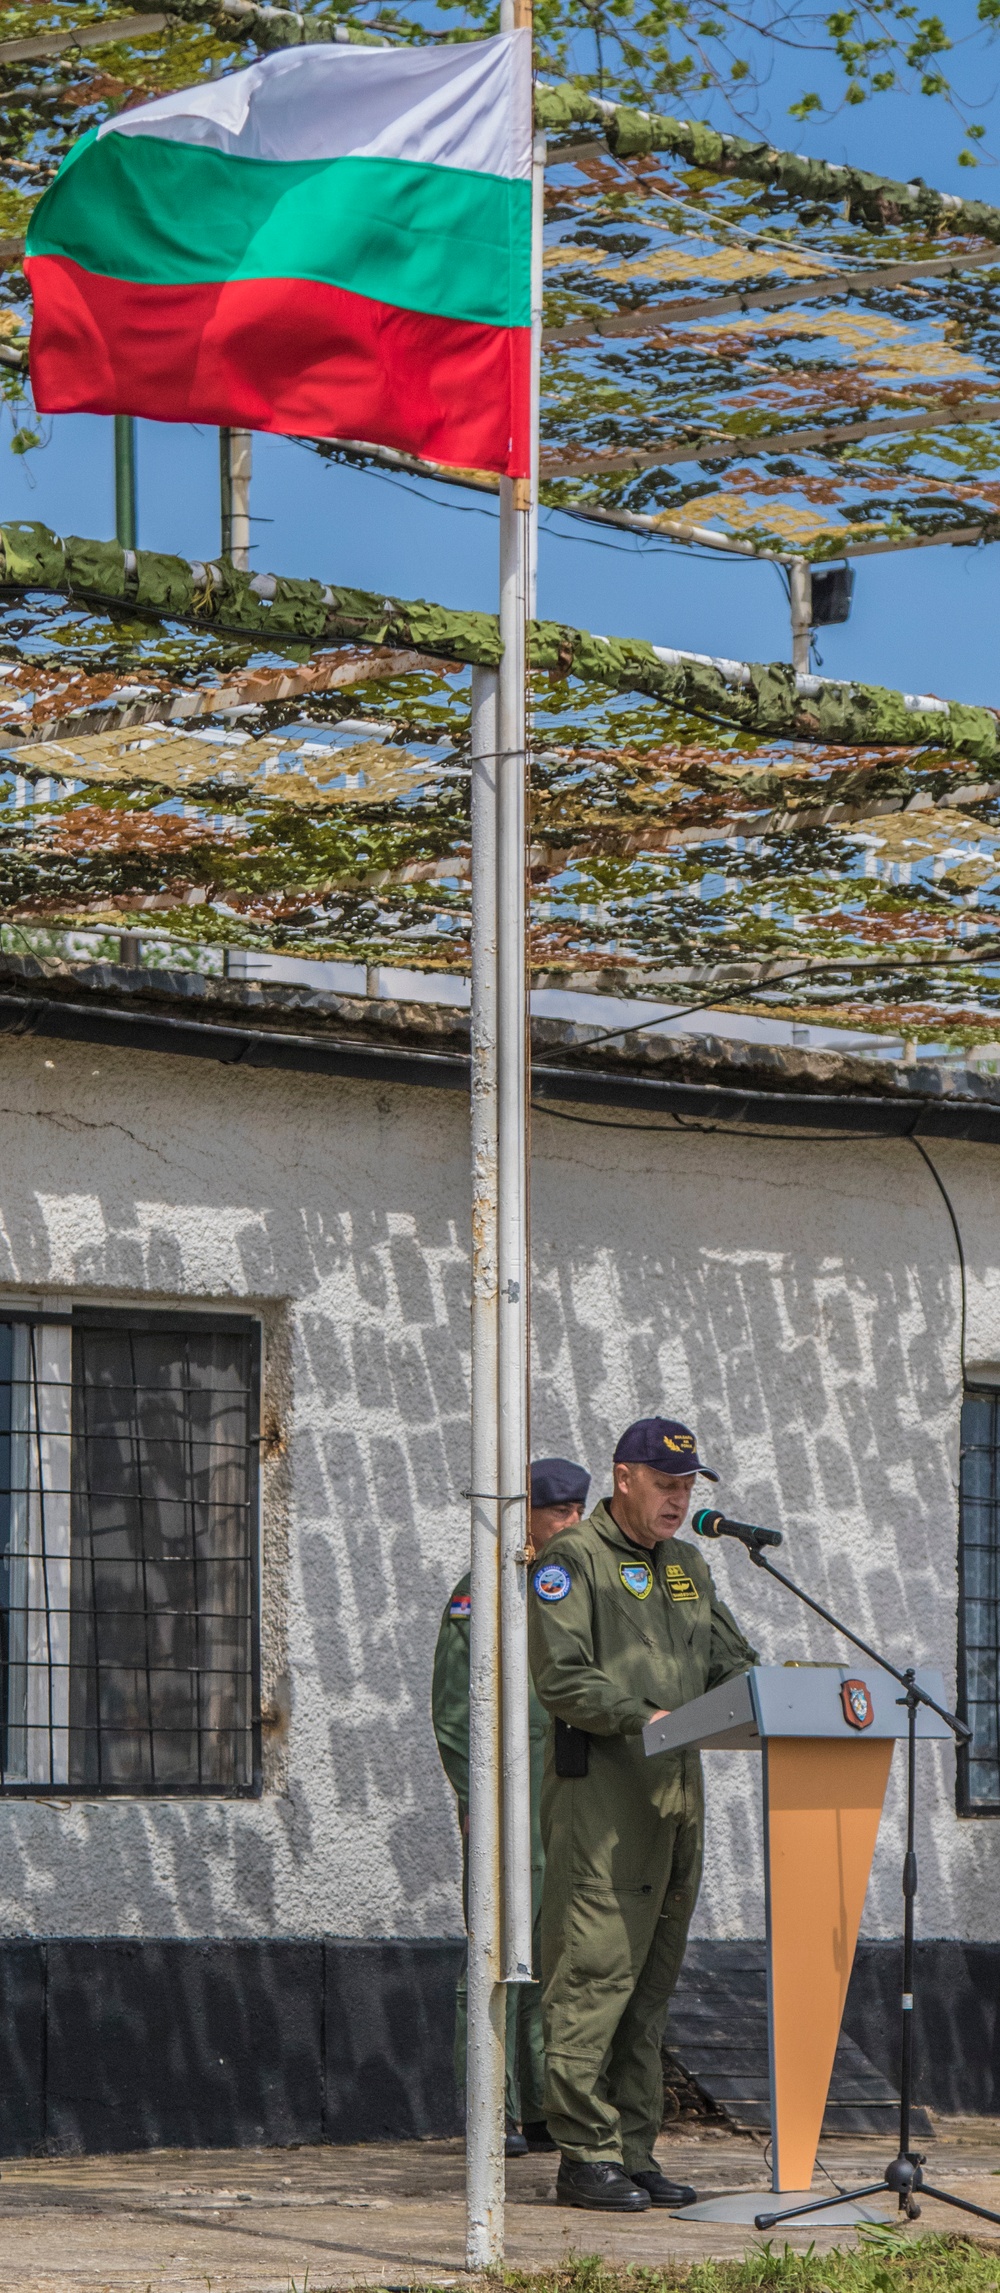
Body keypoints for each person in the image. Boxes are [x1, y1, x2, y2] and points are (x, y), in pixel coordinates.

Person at [528, 1417, 757, 2213]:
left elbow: (733, 1663)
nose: (679, 1498)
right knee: (595, 1974)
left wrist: (778, 1694)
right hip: (605, 1798)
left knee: (651, 1984)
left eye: (689, 1485)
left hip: (677, 1797)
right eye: (666, 1484)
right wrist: (645, 1715)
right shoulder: (571, 1562)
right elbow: (561, 1677)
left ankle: (632, 2148)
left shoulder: (689, 1565)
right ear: (623, 1478)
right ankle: (583, 2155)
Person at [432, 1456, 591, 2156]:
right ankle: (486, 2103)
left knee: (550, 1957)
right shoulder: (484, 1590)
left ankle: (539, 2107)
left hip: (568, 1799)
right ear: (524, 1513)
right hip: (507, 1796)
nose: (572, 1522)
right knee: (494, 1953)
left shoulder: (574, 1590)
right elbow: (453, 1709)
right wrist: (474, 1795)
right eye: (559, 1509)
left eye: (579, 1508)